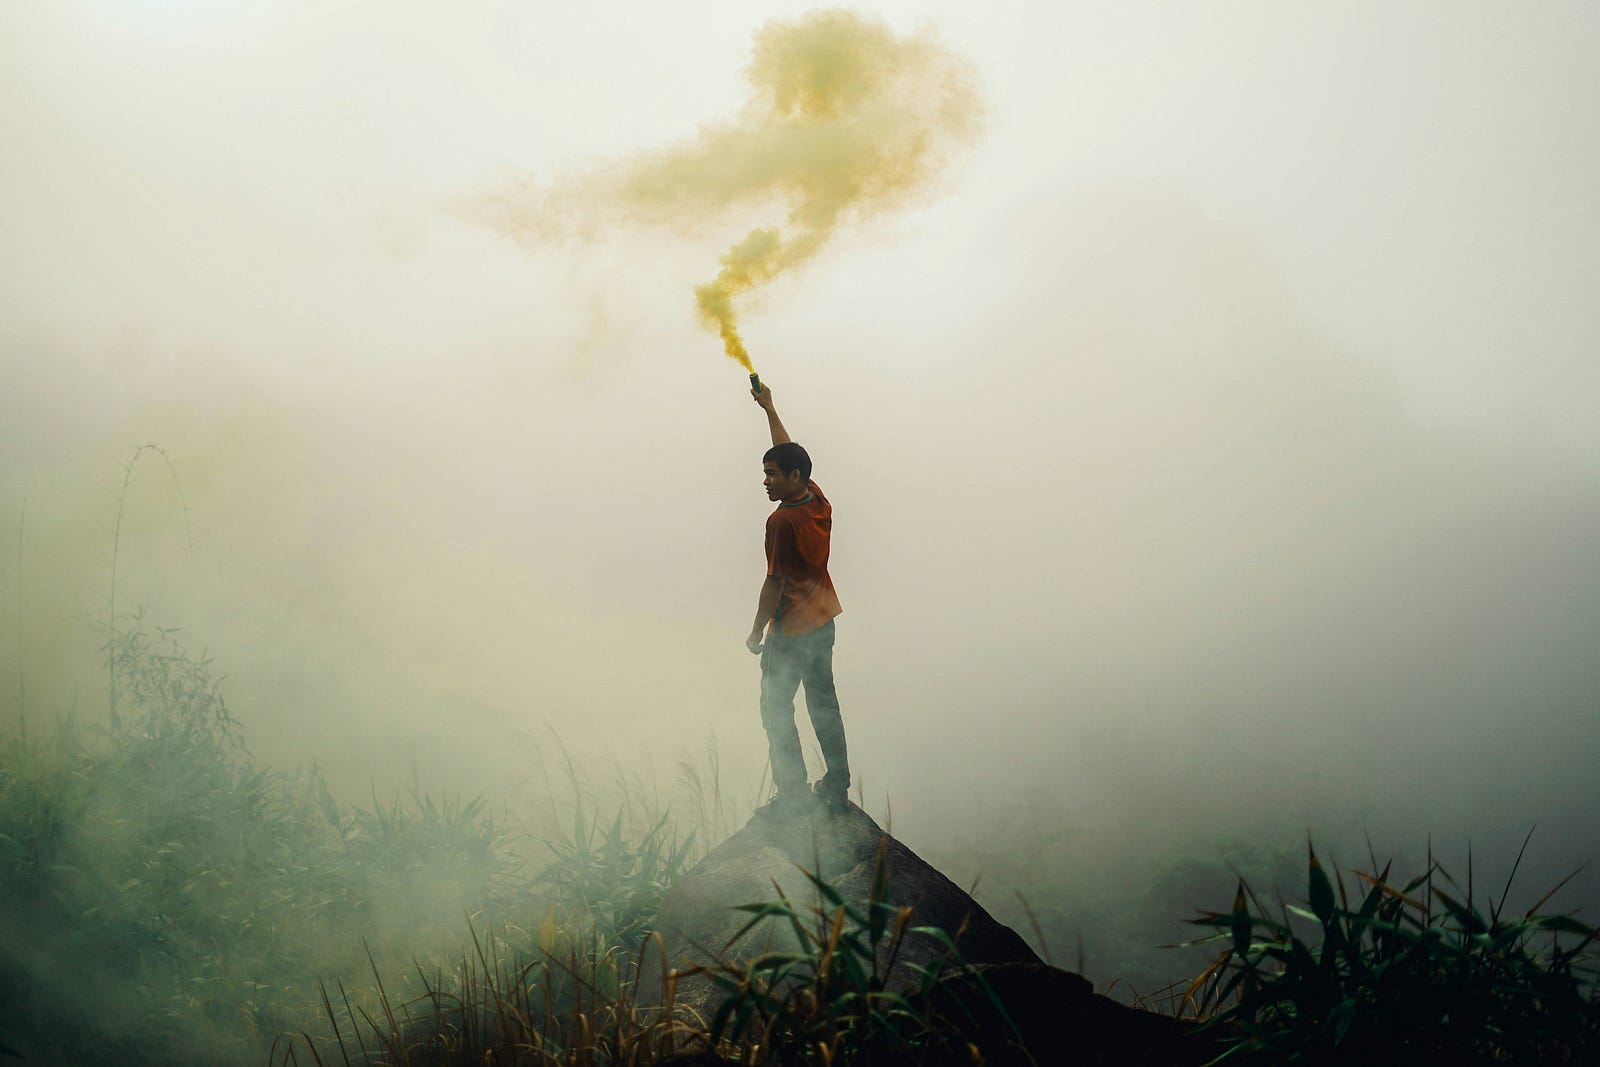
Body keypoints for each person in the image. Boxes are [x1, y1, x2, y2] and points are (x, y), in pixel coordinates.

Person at [746, 383, 851, 817]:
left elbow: (773, 585)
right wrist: (769, 407)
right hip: (823, 623)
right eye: (765, 473)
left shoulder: (781, 522)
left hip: (789, 634)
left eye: (773, 474)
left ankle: (792, 795)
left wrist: (756, 633)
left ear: (793, 479)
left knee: (774, 707)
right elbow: (790, 452)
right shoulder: (817, 500)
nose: (767, 481)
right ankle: (838, 786)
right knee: (824, 705)